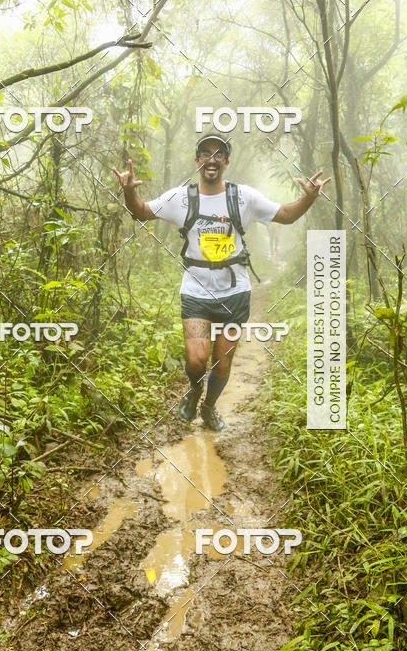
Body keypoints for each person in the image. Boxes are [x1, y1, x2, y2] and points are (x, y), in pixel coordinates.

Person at [113, 134, 330, 432]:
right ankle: (193, 390)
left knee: (222, 363)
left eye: (218, 154)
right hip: (195, 292)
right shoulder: (181, 198)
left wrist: (308, 197)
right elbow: (140, 212)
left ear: (226, 162)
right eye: (205, 153)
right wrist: (128, 192)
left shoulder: (244, 198)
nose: (211, 159)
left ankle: (209, 406)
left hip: (235, 292)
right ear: (197, 160)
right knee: (196, 360)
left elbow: (286, 215)